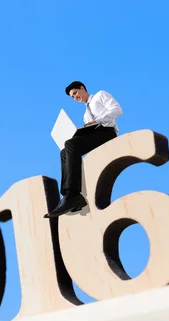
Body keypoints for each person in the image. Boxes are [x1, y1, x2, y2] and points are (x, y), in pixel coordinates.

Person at [44, 81, 123, 218]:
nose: (75, 97)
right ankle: (68, 196)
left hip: (107, 132)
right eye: (72, 97)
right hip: (95, 134)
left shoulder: (100, 95)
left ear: (82, 88)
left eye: (75, 93)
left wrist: (98, 120)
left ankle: (73, 194)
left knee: (70, 145)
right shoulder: (85, 115)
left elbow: (117, 110)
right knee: (65, 150)